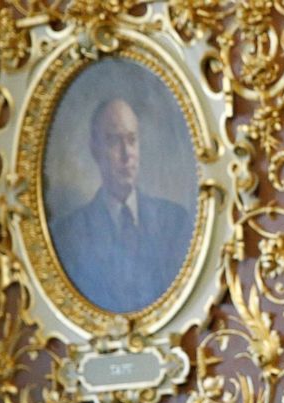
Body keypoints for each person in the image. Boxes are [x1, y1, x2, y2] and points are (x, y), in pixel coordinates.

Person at [49, 97, 193, 313]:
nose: (127, 155)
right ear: (95, 150)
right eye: (114, 141)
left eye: (132, 140)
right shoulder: (68, 234)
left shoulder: (174, 221)